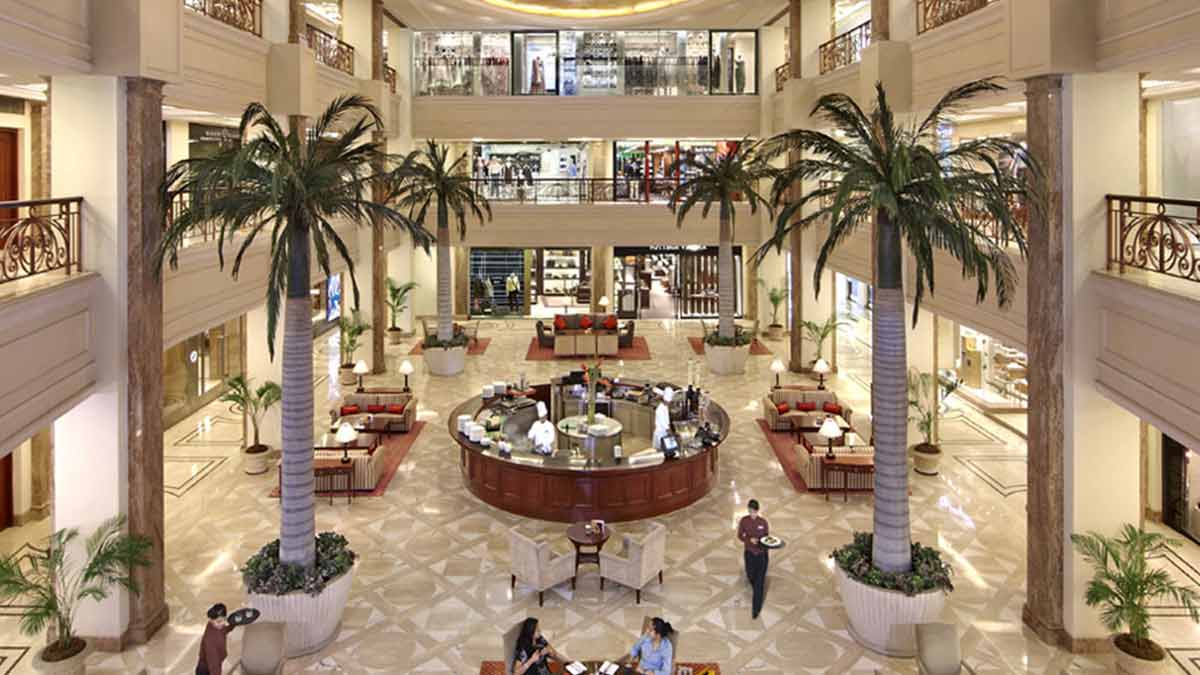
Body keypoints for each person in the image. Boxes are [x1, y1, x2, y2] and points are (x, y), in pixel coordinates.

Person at [738, 499, 770, 619]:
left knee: (759, 583)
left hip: (761, 555)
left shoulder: (763, 522)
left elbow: (767, 538)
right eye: (750, 511)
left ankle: (756, 610)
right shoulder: (744, 521)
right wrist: (749, 540)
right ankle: (755, 585)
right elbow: (740, 535)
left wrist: (760, 542)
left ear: (757, 511)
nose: (752, 514)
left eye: (754, 512)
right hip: (749, 554)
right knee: (750, 575)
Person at [195, 603, 236, 675]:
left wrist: (233, 624)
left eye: (224, 620)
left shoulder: (215, 626)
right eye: (219, 621)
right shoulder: (210, 641)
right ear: (211, 620)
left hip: (212, 665)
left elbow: (223, 630)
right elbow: (214, 665)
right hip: (206, 670)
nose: (222, 623)